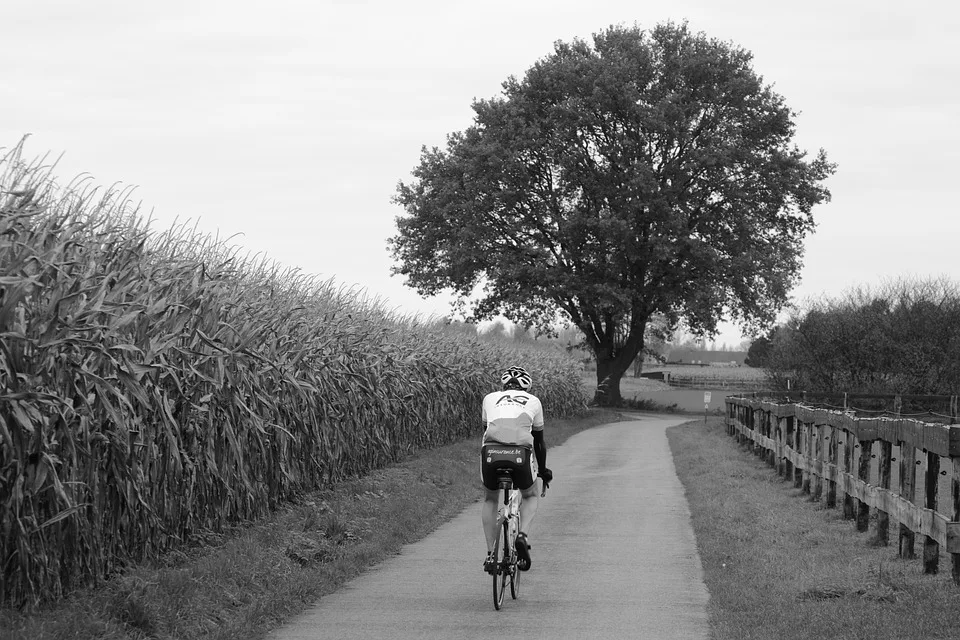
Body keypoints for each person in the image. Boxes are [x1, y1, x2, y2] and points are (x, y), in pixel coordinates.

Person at [480, 365, 553, 574]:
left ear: (503, 385)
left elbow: (485, 431)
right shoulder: (534, 401)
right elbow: (539, 442)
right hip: (520, 454)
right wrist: (543, 471)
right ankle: (522, 536)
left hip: (491, 454)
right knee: (530, 495)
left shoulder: (489, 398)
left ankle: (491, 555)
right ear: (527, 387)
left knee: (490, 499)